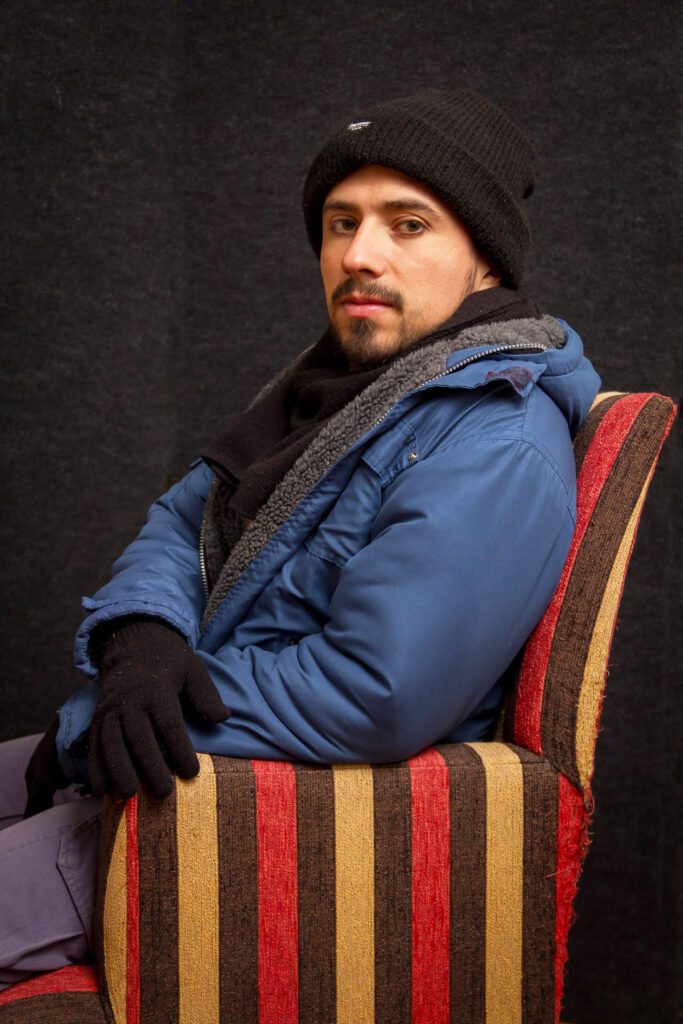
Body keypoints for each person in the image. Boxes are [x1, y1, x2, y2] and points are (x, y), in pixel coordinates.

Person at [0, 87, 600, 988]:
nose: (358, 255)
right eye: (340, 222)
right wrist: (141, 642)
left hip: (240, 812)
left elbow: (373, 692)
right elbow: (183, 518)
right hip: (181, 738)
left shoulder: (494, 442)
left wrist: (94, 722)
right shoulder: (333, 389)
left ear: (484, 260)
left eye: (407, 225)